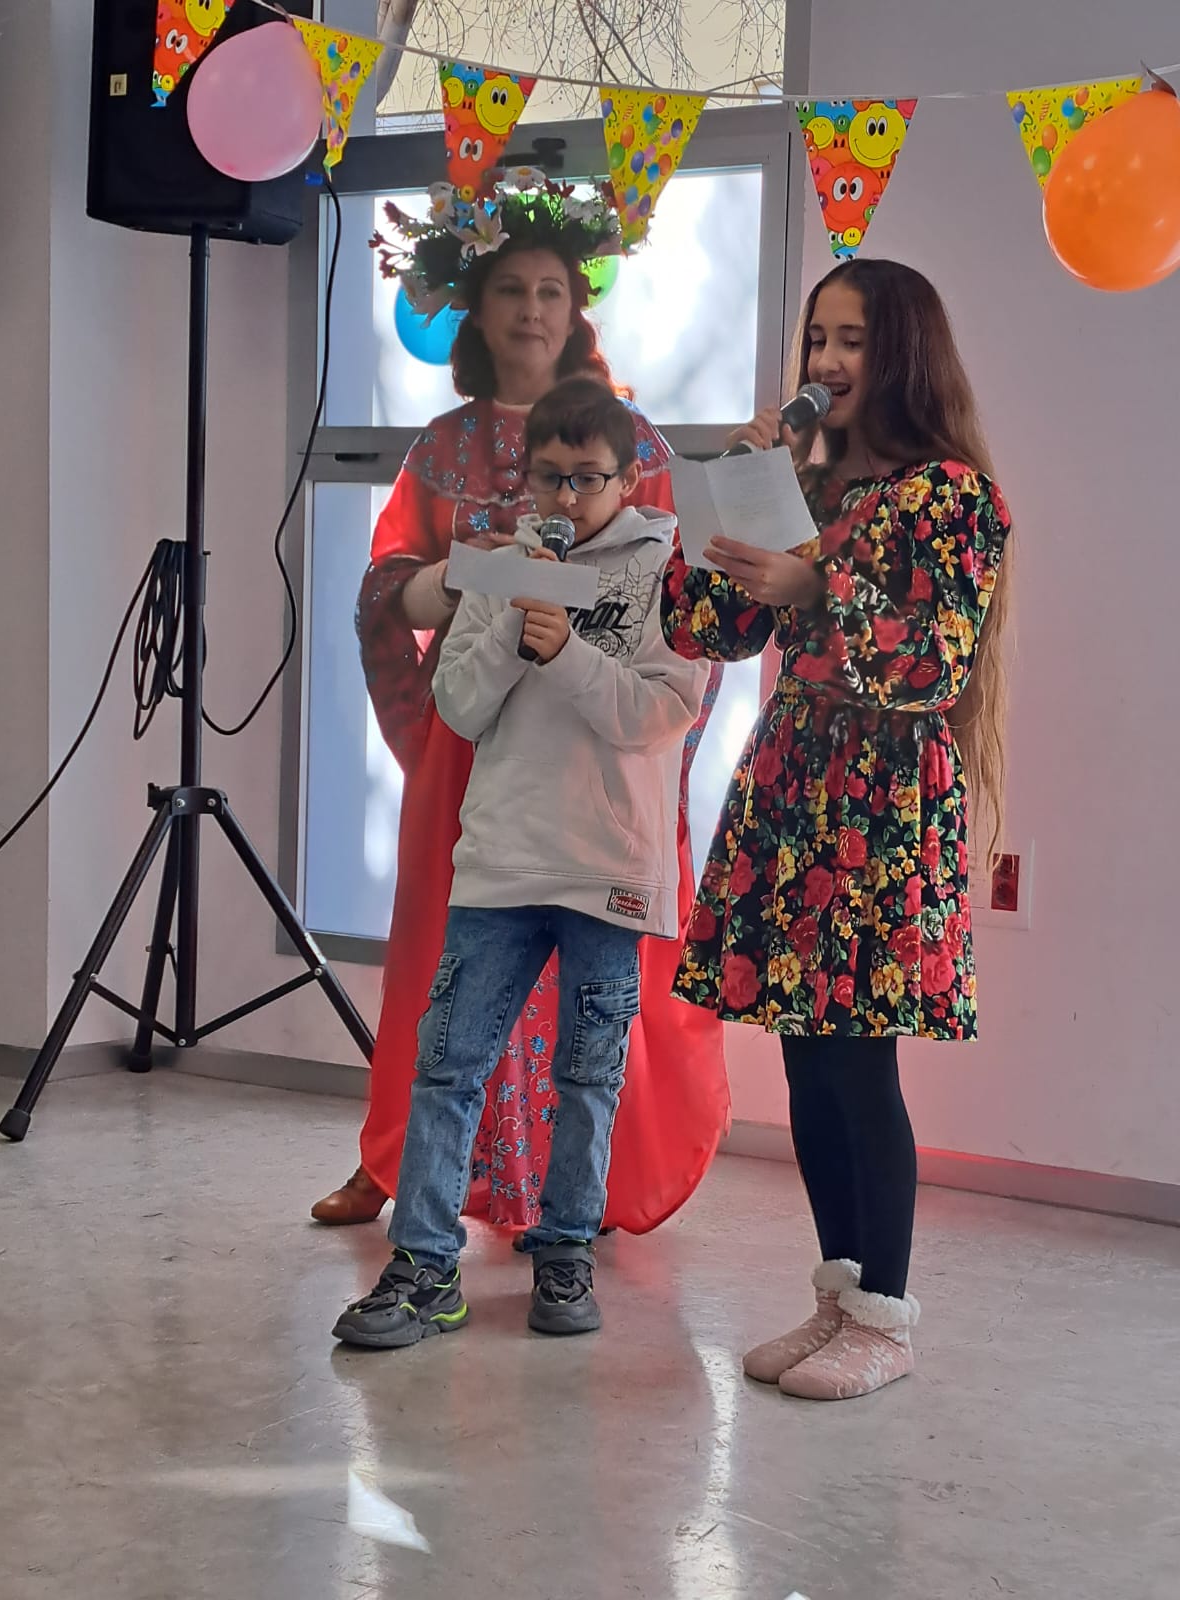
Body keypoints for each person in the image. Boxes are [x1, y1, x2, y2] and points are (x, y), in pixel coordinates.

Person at [312, 174, 728, 1237]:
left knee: (591, 974)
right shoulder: (441, 449)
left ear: (575, 308)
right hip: (473, 732)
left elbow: (686, 605)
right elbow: (383, 590)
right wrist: (468, 579)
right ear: (476, 307)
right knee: (437, 955)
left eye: (551, 291)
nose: (532, 310)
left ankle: (574, 1194)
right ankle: (399, 1159)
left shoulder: (635, 442)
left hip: (596, 736)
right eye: (511, 290)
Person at [661, 258, 1013, 1400]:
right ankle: (840, 1297)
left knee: (861, 1061)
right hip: (793, 784)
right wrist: (731, 495)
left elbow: (934, 659)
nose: (826, 361)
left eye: (852, 339)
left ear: (902, 351)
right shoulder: (807, 490)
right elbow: (708, 628)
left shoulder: (951, 496)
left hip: (882, 800)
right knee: (806, 1055)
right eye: (818, 338)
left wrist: (817, 590)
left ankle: (887, 1318)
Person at [333, 377, 711, 1347]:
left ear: (628, 481)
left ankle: (566, 1251)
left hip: (609, 869)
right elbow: (457, 707)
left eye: (589, 478)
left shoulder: (669, 573)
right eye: (550, 478)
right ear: (528, 482)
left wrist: (569, 656)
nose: (568, 498)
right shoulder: (500, 568)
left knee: (588, 1079)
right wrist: (512, 625)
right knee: (448, 1066)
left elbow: (664, 712)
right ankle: (424, 1267)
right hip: (502, 863)